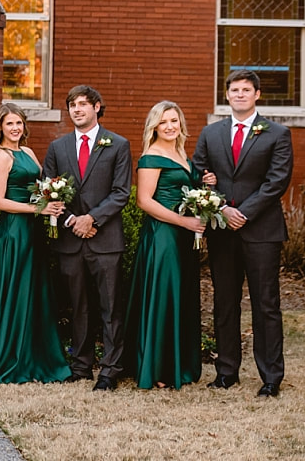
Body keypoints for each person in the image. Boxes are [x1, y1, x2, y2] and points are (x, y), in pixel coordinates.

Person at [193, 69, 293, 397]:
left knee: (265, 303)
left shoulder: (277, 133)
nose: (239, 94)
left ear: (257, 94)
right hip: (223, 231)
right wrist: (221, 208)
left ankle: (270, 377)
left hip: (262, 231)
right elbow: (200, 174)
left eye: (246, 90)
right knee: (225, 302)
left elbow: (276, 181)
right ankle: (226, 372)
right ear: (227, 95)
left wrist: (244, 212)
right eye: (234, 90)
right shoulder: (211, 133)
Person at [0, 103, 71, 384]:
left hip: (32, 231)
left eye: (19, 123)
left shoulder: (28, 152)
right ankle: (9, 356)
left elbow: (38, 187)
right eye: (9, 124)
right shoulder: (1, 155)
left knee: (32, 291)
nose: (15, 128)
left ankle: (33, 355)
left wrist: (50, 201)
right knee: (14, 290)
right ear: (0, 127)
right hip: (14, 232)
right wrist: (39, 210)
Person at [42, 85, 132, 391]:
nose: (77, 109)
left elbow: (121, 192)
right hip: (70, 240)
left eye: (83, 104)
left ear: (96, 107)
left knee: (110, 306)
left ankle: (110, 368)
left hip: (105, 239)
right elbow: (48, 189)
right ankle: (80, 365)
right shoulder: (58, 147)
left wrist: (91, 219)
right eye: (72, 105)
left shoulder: (118, 145)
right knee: (77, 305)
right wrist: (72, 221)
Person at [124, 101, 209, 389]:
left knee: (180, 296)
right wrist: (183, 222)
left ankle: (179, 364)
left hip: (184, 238)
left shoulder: (182, 154)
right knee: (163, 297)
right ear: (154, 127)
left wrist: (204, 183)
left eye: (174, 120)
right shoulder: (152, 156)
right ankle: (158, 368)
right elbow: (144, 201)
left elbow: (188, 190)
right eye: (164, 122)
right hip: (163, 237)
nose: (170, 126)